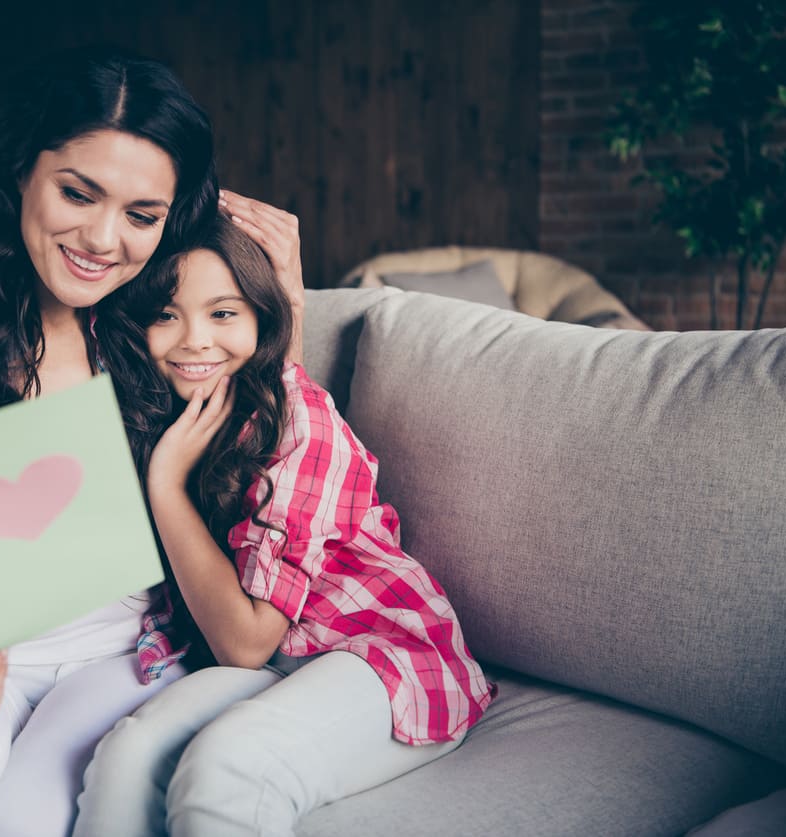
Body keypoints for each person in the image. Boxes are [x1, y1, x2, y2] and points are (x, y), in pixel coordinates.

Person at [0, 47, 304, 837]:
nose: (104, 240)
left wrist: (288, 301)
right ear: (17, 174)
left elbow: (268, 431)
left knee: (27, 820)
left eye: (141, 215)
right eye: (79, 193)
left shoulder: (158, 327)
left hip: (126, 652)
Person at [74, 217, 496, 836]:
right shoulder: (168, 416)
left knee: (227, 768)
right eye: (165, 315)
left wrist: (165, 486)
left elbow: (243, 642)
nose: (194, 340)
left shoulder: (300, 424)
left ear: (260, 320)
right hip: (276, 663)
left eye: (223, 314)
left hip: (381, 656)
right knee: (125, 756)